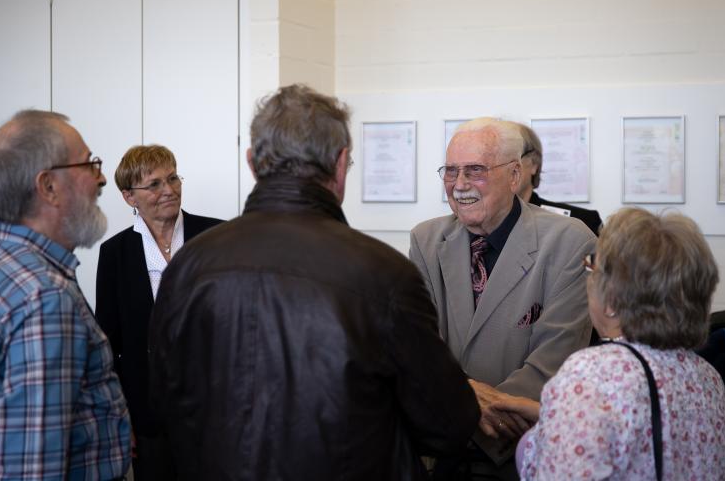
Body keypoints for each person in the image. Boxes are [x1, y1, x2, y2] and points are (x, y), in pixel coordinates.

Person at [147, 84, 480, 480]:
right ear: (340, 165)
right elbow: (449, 425)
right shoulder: (384, 275)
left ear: (252, 163)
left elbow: (161, 412)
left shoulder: (187, 268)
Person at [410, 118, 596, 480]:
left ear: (514, 175)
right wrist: (465, 403)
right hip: (442, 457)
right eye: (450, 171)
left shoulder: (570, 241)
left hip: (522, 458)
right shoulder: (427, 240)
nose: (460, 185)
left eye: (475, 171)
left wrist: (466, 412)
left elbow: (553, 362)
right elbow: (420, 348)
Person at [497, 208, 725, 480]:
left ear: (612, 298)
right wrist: (555, 415)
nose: (588, 277)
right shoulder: (708, 378)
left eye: (592, 265)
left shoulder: (590, 376)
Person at [0, 110, 131, 480]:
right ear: (48, 187)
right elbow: (33, 468)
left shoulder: (7, 267)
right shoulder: (43, 298)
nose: (102, 177)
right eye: (89, 163)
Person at [95, 144, 222, 480]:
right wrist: (120, 417)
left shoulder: (216, 237)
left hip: (214, 410)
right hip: (147, 415)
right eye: (153, 184)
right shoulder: (115, 254)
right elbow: (108, 345)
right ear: (129, 197)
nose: (169, 190)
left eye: (173, 178)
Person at [515, 123, 602, 236]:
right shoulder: (485, 224)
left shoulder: (581, 223)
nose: (501, 167)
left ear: (534, 163)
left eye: (512, 157)